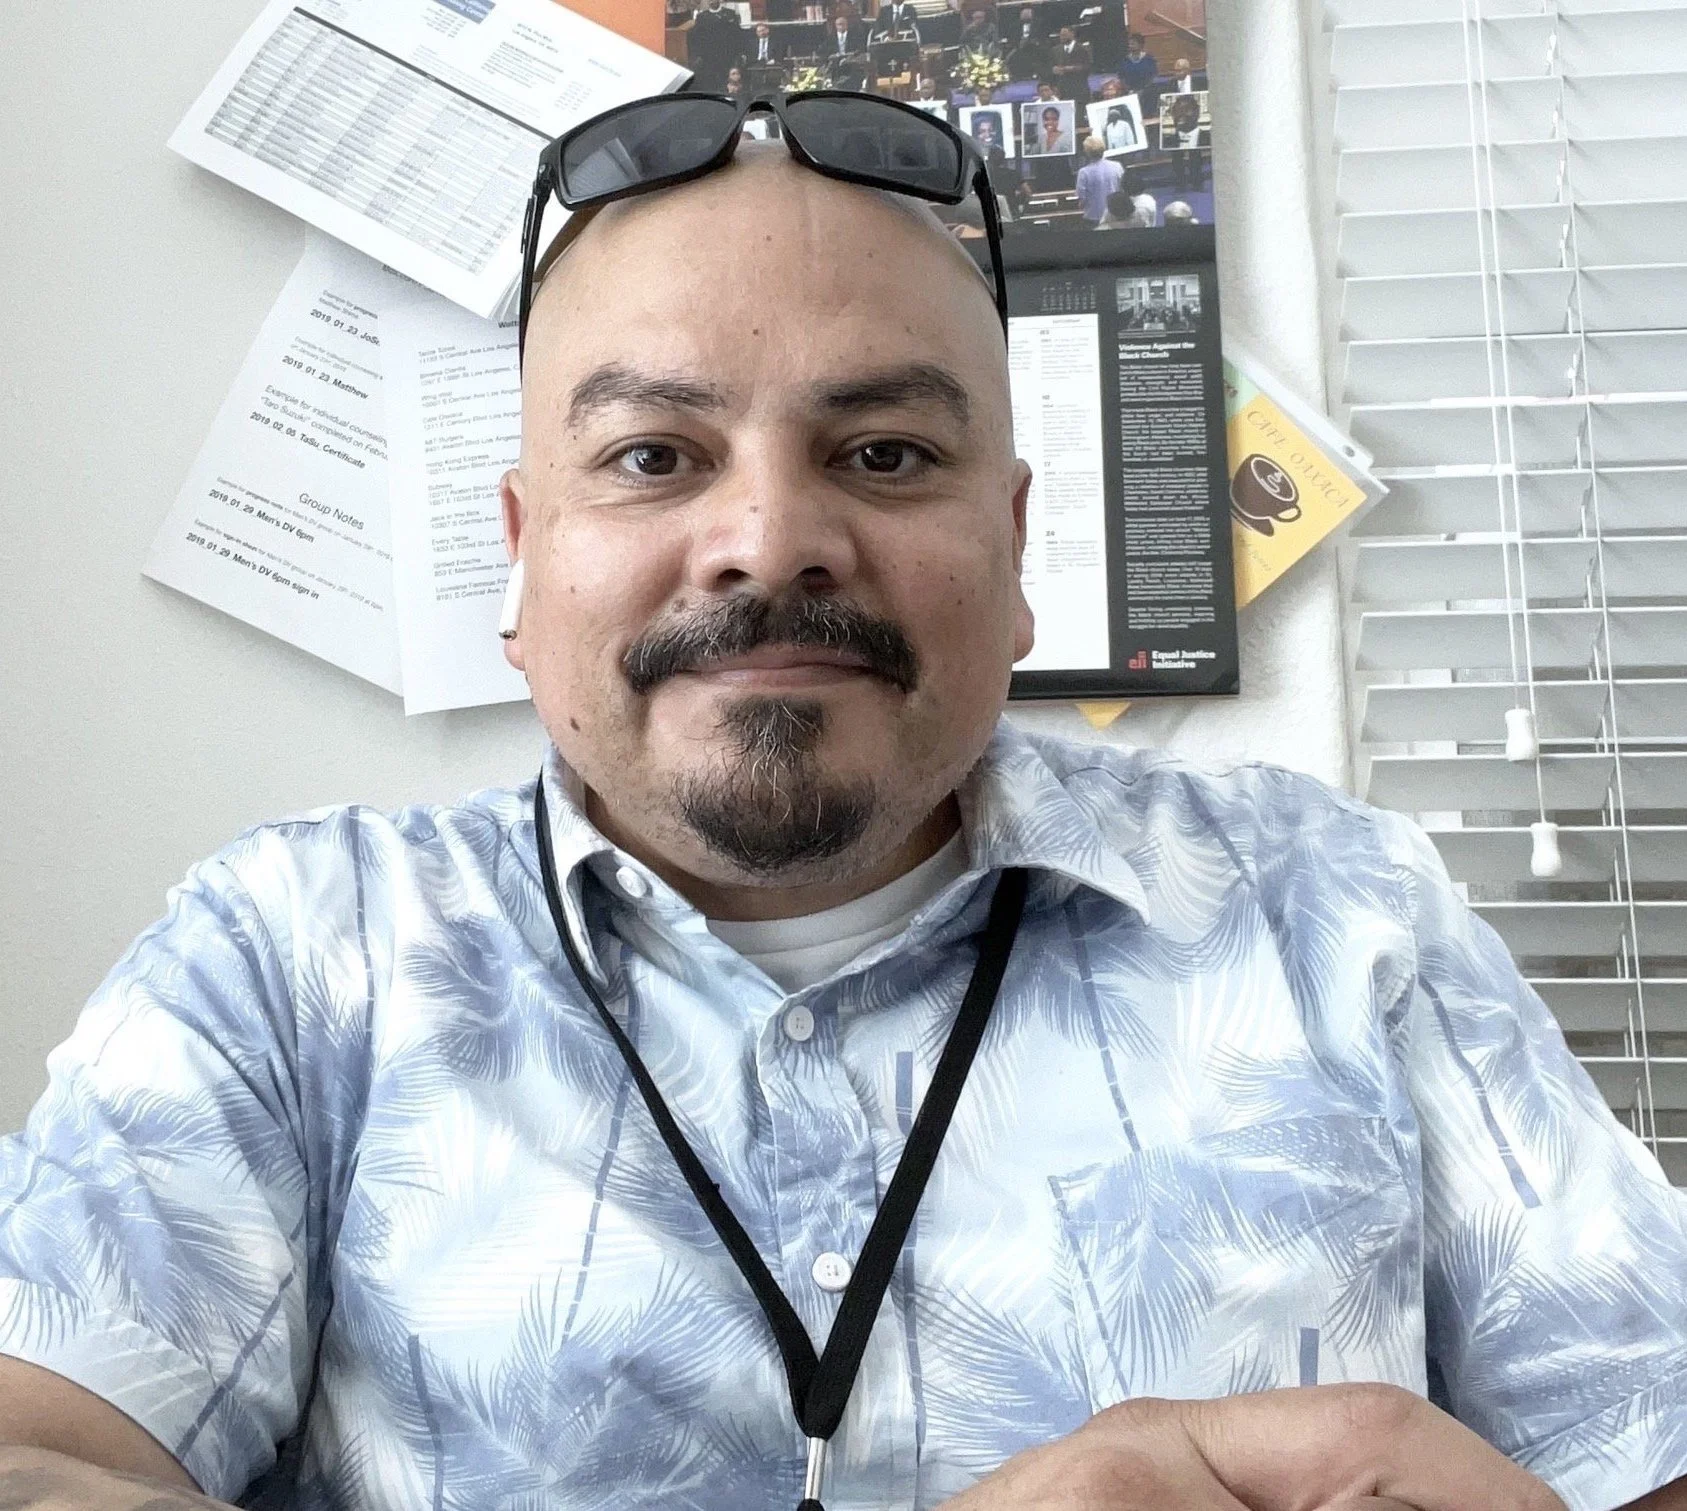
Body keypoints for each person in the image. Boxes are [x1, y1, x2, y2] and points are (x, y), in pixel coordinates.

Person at [0, 121, 1683, 1511]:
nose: (768, 539)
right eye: (655, 457)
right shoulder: (288, 953)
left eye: (880, 455)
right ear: (522, 562)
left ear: (1016, 552)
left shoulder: (1335, 906)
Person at [684, 0, 743, 93]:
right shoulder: (702, 17)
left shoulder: (729, 14)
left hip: (728, 54)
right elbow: (697, 38)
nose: (712, 1)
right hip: (709, 56)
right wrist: (699, 54)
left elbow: (737, 35)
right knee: (712, 80)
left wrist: (738, 52)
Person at [1073, 134, 1124, 223]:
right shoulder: (1117, 166)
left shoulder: (1084, 172)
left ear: (1086, 152)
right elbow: (1123, 189)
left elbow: (1082, 198)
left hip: (1093, 216)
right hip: (1115, 214)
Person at [1049, 26, 1094, 109]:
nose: (1062, 37)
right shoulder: (1055, 50)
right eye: (1061, 35)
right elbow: (1051, 67)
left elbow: (1088, 67)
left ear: (1072, 34)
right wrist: (1054, 70)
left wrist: (1071, 69)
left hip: (1079, 90)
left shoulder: (1083, 49)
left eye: (1065, 35)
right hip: (1062, 91)